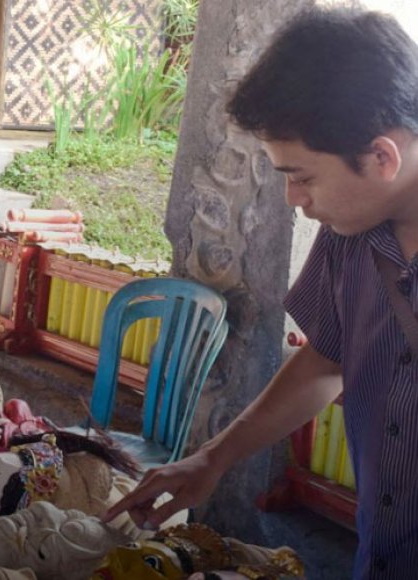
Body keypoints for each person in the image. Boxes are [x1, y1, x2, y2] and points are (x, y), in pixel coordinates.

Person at [103, 7, 418, 578]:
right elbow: (326, 360)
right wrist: (213, 457)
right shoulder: (351, 236)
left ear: (381, 157)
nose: (295, 199)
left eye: (302, 177)